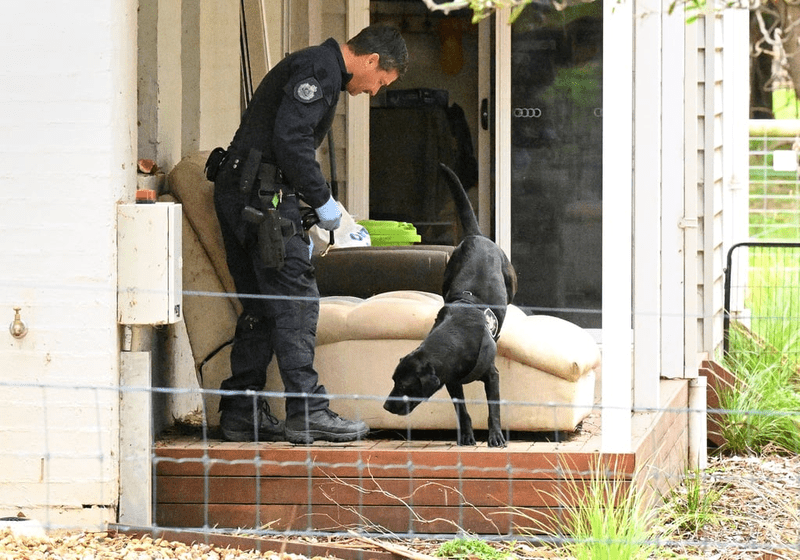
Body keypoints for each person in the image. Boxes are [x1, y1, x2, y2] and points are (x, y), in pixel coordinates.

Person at [207, 24, 408, 444]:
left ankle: (242, 411)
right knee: (297, 300)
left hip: (242, 194)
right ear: (371, 61)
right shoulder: (320, 69)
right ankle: (308, 411)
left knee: (261, 305)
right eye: (381, 83)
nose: (374, 92)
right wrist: (324, 202)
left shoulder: (317, 66)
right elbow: (292, 141)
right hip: (262, 200)